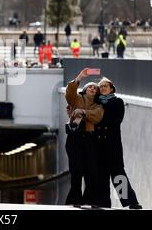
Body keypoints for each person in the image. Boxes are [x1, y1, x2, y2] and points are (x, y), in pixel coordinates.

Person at [95, 78, 142, 209]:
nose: (103, 88)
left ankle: (131, 203)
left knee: (118, 175)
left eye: (105, 86)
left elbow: (115, 120)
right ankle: (103, 204)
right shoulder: (95, 102)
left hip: (112, 146)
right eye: (101, 87)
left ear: (111, 89)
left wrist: (98, 119)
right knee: (101, 177)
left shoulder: (117, 102)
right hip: (98, 146)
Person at [65, 69, 104, 206]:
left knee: (90, 171)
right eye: (90, 87)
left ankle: (89, 200)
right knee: (76, 170)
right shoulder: (77, 99)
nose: (93, 88)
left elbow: (97, 116)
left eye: (95, 88)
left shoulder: (98, 105)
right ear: (85, 89)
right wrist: (79, 77)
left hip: (89, 139)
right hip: (74, 138)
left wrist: (82, 111)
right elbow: (69, 93)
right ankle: (74, 200)